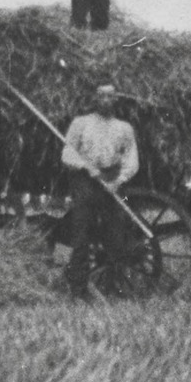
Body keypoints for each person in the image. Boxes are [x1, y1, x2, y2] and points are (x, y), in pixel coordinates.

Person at [60, 84, 140, 297]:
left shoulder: (124, 128)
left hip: (112, 180)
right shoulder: (81, 123)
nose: (105, 100)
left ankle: (113, 287)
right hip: (85, 181)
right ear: (95, 98)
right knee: (81, 235)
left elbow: (131, 159)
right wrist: (86, 166)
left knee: (116, 235)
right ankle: (78, 291)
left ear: (116, 99)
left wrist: (118, 181)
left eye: (110, 96)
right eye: (101, 96)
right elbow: (67, 153)